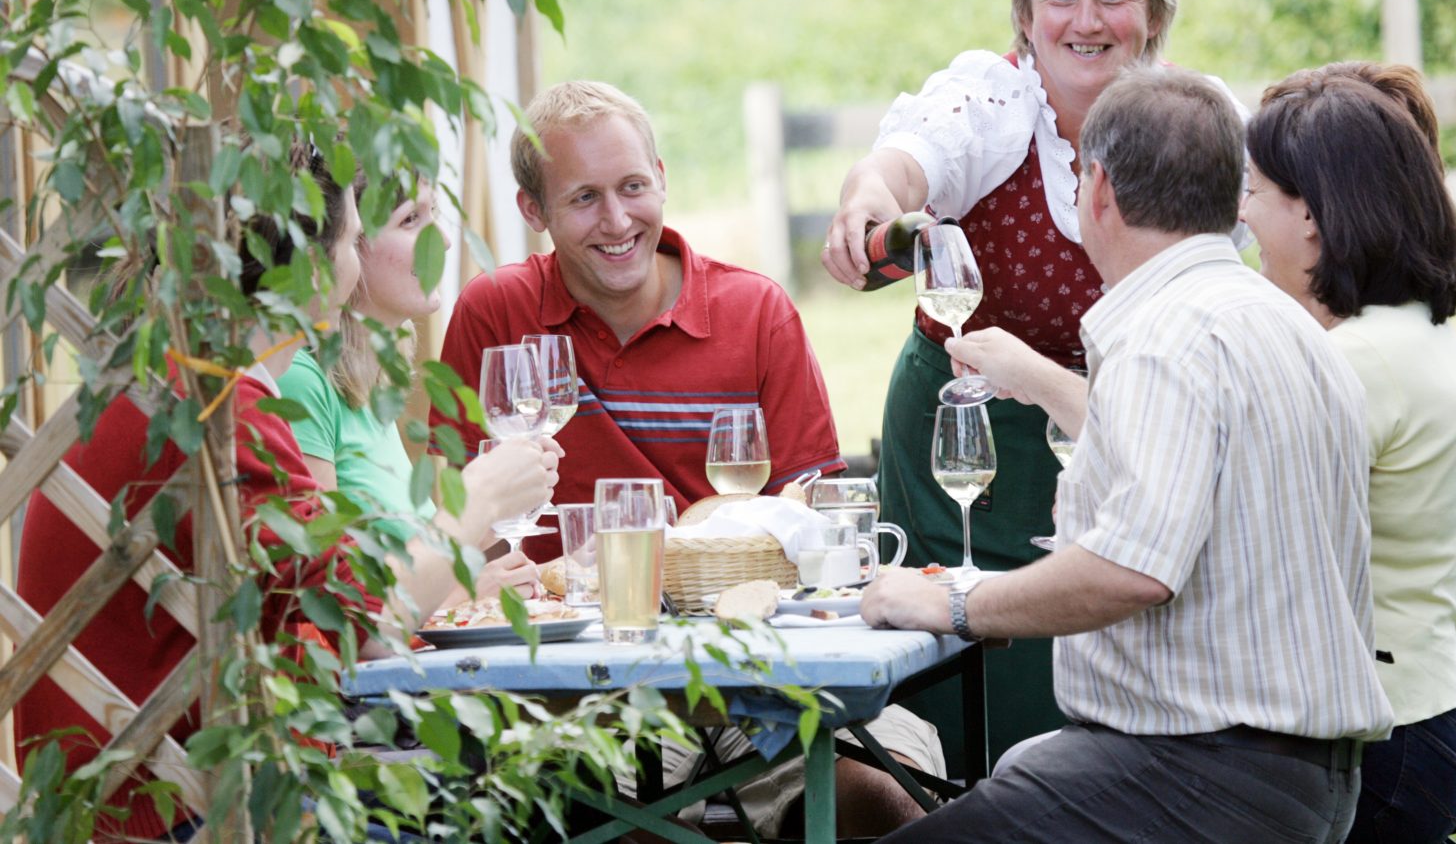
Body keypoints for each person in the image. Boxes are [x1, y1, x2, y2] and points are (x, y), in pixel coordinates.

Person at [861, 65, 1395, 843]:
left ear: (1098, 189)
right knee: (1016, 774)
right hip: (1306, 776)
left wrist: (955, 605)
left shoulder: (1162, 339)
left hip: (1196, 775)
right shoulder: (1284, 325)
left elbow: (1132, 568)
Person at [431, 80, 941, 840]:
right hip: (586, 682)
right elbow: (445, 515)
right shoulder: (494, 315)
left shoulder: (755, 312)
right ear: (533, 212)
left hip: (761, 660)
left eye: (633, 187)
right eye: (584, 199)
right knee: (607, 815)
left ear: (662, 177)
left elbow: (819, 522)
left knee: (880, 799)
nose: (617, 220)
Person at [15, 145, 557, 841]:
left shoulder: (169, 383)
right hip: (168, 810)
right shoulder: (219, 409)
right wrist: (473, 502)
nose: (362, 257)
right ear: (309, 265)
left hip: (136, 791)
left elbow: (307, 618)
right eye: (357, 239)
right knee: (509, 793)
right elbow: (355, 625)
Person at [819, 0, 1246, 762]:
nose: (1085, 21)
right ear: (1026, 11)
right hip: (961, 441)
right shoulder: (991, 102)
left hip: (1124, 439)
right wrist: (866, 202)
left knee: (1105, 671)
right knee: (964, 678)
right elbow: (898, 170)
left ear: (1154, 14)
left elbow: (1264, 261)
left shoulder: (1193, 124)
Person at [1242, 62, 1456, 843]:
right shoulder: (1408, 331)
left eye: (1253, 191)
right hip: (1418, 721)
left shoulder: (1359, 362)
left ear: (1309, 213)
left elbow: (1229, 517)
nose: (1243, 216)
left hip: (1380, 744)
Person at [280, 174, 547, 602]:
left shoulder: (367, 388)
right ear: (344, 248)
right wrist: (467, 587)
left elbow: (418, 566)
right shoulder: (302, 380)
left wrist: (563, 566)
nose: (441, 240)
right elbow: (328, 601)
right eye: (410, 221)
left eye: (434, 215)